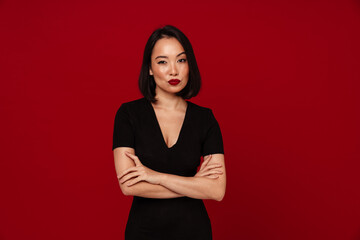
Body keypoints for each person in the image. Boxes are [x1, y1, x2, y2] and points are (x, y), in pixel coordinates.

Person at [112, 25, 226, 240]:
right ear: (149, 68)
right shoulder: (128, 114)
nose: (173, 70)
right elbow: (129, 186)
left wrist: (155, 177)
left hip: (194, 231)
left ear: (189, 64)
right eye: (162, 61)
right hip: (143, 232)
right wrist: (194, 184)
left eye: (181, 60)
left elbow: (217, 191)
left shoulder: (205, 118)